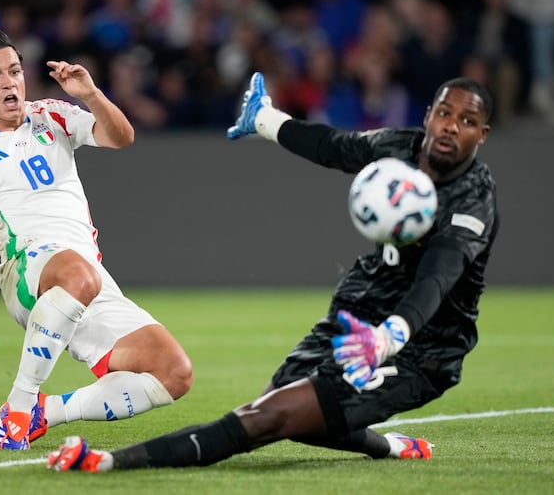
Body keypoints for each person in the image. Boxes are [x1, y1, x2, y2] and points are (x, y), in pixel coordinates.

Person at [44, 71, 499, 472]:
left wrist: (390, 338)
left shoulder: (472, 202)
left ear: (481, 135)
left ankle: (109, 462)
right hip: (361, 311)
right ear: (429, 115)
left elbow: (437, 279)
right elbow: (334, 147)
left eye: (466, 122)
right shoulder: (401, 148)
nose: (450, 127)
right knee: (286, 409)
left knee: (265, 417)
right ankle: (392, 447)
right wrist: (265, 120)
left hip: (423, 347)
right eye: (445, 113)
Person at [0, 29, 193, 451]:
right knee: (79, 273)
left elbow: (122, 137)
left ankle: (48, 412)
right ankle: (20, 404)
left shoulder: (52, 114)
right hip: (27, 270)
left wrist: (92, 94)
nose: (9, 82)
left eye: (14, 71)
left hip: (87, 278)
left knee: (174, 373)